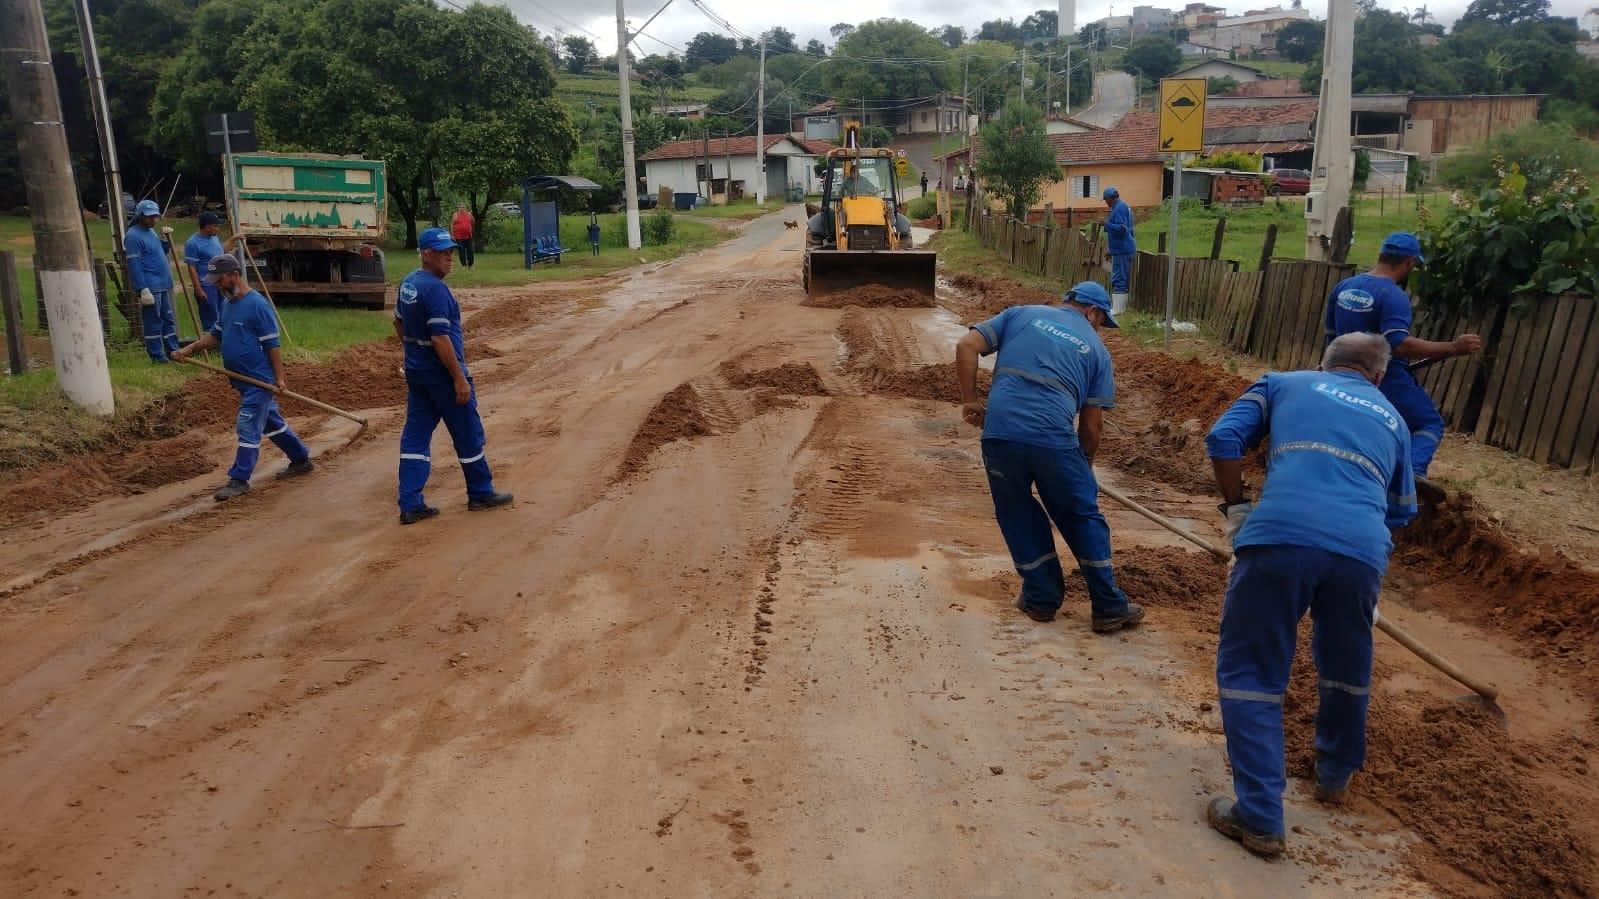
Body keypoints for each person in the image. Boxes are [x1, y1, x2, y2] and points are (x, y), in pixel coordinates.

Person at [1202, 332, 1418, 859]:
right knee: (1345, 664)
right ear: (1378, 375)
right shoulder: (1395, 421)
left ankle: (1259, 816)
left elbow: (1223, 440)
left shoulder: (1281, 383)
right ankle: (1334, 774)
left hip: (1279, 536)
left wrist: (1236, 508)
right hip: (1362, 551)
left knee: (1251, 671)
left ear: (1324, 362)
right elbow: (1401, 511)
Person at [955, 281, 1146, 633]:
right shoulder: (1098, 351)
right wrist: (1083, 468)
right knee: (1080, 515)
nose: (1100, 327)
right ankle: (1107, 605)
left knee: (1017, 512)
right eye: (1102, 321)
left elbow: (967, 345)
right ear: (1093, 312)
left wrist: (970, 399)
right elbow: (1091, 427)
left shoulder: (1020, 314)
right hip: (1053, 441)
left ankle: (1041, 599)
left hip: (1000, 435)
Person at [1324, 231, 1481, 482]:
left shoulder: (1344, 287)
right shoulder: (1393, 295)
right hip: (1383, 376)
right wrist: (1453, 347)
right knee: (1427, 424)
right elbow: (1399, 344)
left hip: (1341, 373)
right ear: (1410, 262)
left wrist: (1328, 372)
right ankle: (1412, 478)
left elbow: (1331, 335)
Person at [394, 226, 513, 525]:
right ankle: (480, 492)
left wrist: (411, 354)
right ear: (426, 254)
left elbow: (398, 321)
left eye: (451, 252)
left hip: (418, 373)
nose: (450, 258)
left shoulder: (408, 283)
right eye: (443, 253)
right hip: (441, 376)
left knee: (415, 436)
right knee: (467, 432)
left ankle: (410, 503)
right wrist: (458, 379)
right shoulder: (435, 289)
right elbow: (440, 339)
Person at [171, 255, 314, 501]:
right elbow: (215, 335)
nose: (216, 285)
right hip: (242, 381)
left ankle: (239, 479)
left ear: (234, 275)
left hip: (260, 381)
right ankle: (301, 459)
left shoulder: (257, 305)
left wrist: (279, 378)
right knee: (271, 423)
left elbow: (273, 345)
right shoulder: (228, 304)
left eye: (219, 280)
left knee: (247, 425)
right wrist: (190, 349)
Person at [124, 199, 180, 363]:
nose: (153, 220)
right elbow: (134, 264)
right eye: (149, 217)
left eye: (155, 216)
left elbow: (161, 252)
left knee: (168, 320)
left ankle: (174, 351)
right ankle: (157, 356)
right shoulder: (133, 236)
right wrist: (142, 288)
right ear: (140, 216)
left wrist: (165, 239)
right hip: (150, 286)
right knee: (153, 321)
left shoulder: (152, 232)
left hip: (163, 283)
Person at [183, 211, 236, 334]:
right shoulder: (193, 243)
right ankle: (210, 342)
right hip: (206, 284)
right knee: (210, 314)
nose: (218, 228)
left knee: (224, 311)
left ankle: (222, 340)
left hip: (220, 282)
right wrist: (198, 289)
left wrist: (234, 239)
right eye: (215, 226)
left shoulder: (214, 238)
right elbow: (191, 267)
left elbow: (221, 251)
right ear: (207, 226)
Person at [1102, 187, 1135, 316]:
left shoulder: (1120, 207)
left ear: (1111, 198)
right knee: (1118, 277)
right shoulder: (1120, 207)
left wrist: (1106, 225)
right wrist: (1111, 249)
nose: (1106, 202)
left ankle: (1118, 310)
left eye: (1106, 199)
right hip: (1120, 249)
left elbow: (1122, 229)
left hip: (1123, 250)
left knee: (1120, 278)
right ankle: (1118, 309)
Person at [450, 203, 475, 269]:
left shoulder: (469, 214)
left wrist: (471, 216)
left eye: (463, 207)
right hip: (458, 237)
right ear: (458, 208)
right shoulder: (455, 215)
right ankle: (463, 265)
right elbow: (452, 224)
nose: (461, 208)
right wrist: (452, 235)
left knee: (470, 250)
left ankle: (470, 265)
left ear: (466, 208)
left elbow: (473, 222)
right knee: (461, 251)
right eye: (460, 207)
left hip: (468, 236)